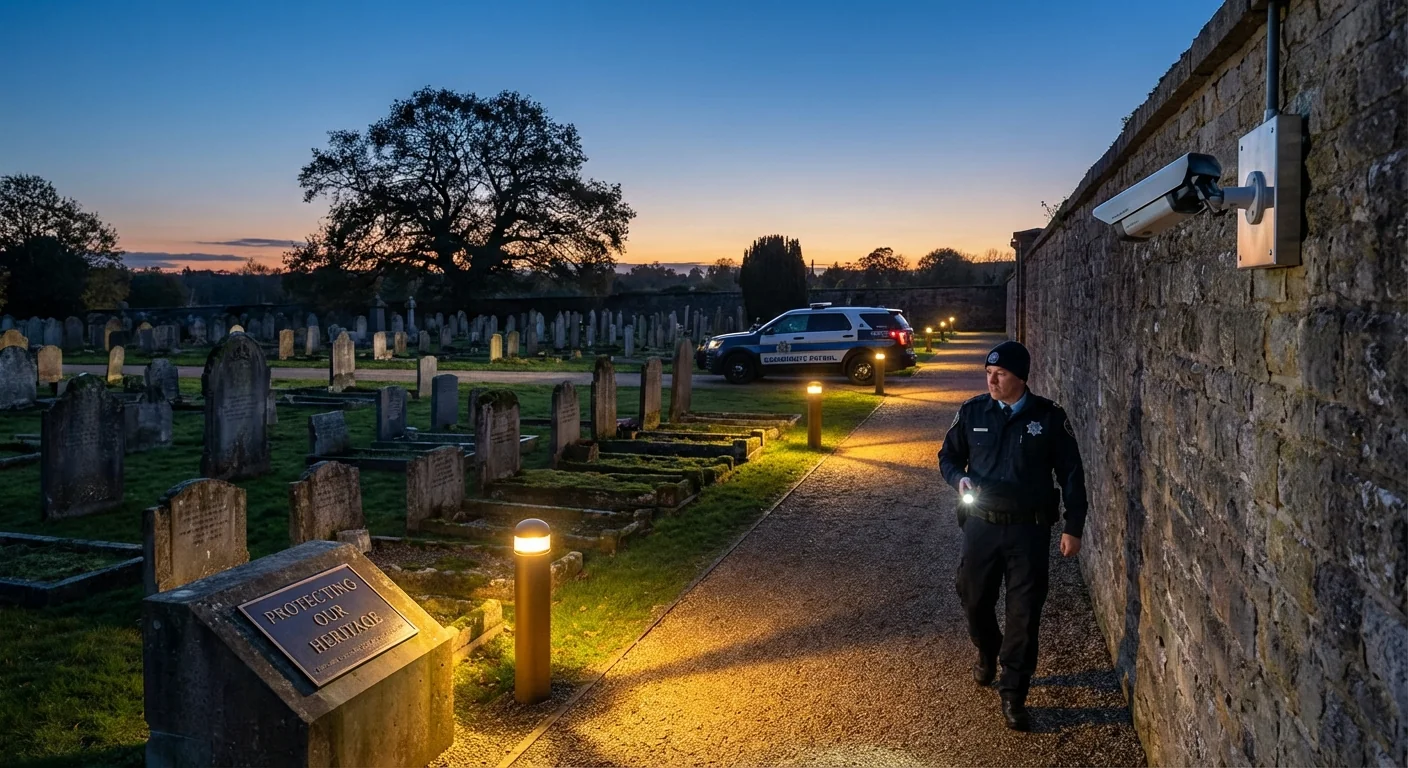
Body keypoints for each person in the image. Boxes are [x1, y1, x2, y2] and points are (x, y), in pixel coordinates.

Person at [937, 340, 1088, 731]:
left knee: (1024, 612)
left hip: (1029, 530)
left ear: (1020, 377)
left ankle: (1014, 692)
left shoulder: (1049, 417)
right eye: (988, 373)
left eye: (1000, 374)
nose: (991, 381)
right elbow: (948, 456)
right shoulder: (972, 412)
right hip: (981, 525)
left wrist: (1073, 526)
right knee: (973, 597)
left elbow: (1072, 473)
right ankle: (987, 650)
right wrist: (959, 479)